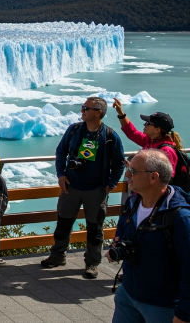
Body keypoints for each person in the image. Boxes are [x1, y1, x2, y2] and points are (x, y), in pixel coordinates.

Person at [41, 97, 125, 279]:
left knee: (95, 228)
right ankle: (57, 256)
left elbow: (119, 164)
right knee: (63, 224)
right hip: (70, 187)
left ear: (98, 112)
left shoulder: (110, 136)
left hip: (96, 190)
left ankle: (92, 263)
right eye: (83, 107)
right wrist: (61, 174)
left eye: (86, 108)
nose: (82, 111)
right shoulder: (74, 130)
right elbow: (61, 151)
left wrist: (110, 185)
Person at [107, 149, 190, 323]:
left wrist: (184, 314)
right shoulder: (133, 201)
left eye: (134, 171)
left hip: (162, 306)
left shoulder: (180, 218)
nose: (127, 174)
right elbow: (123, 226)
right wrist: (118, 244)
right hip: (127, 294)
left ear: (153, 177)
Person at [112, 99, 183, 174]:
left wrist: (134, 169)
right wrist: (121, 113)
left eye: (148, 123)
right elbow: (132, 132)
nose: (144, 124)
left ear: (157, 129)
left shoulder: (166, 151)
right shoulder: (150, 141)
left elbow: (163, 178)